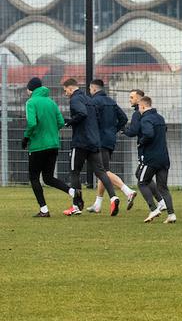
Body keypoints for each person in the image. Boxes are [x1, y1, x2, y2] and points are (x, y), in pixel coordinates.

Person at [61, 78, 119, 215]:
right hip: (94, 141)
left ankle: (76, 205)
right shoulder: (90, 100)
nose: (65, 94)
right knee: (100, 172)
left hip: (80, 141)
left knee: (74, 171)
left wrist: (70, 122)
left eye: (65, 91)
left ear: (70, 88)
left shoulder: (75, 100)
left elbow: (82, 113)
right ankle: (113, 197)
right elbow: (97, 118)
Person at [22, 77, 74, 217]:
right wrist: (51, 133)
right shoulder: (51, 102)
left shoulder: (31, 102)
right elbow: (61, 121)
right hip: (53, 144)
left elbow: (32, 123)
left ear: (30, 89)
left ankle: (44, 210)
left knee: (34, 177)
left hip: (38, 146)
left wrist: (27, 137)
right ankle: (73, 192)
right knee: (49, 178)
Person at [87, 78, 136, 213]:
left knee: (103, 171)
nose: (90, 92)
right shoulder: (111, 102)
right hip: (110, 139)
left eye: (90, 90)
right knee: (103, 170)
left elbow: (91, 121)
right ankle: (98, 203)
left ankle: (127, 191)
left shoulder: (93, 102)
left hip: (99, 140)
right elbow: (124, 119)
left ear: (94, 89)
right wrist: (113, 130)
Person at [124, 89, 166, 214]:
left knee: (142, 178)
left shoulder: (138, 114)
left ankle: (155, 206)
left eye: (132, 97)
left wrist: (124, 130)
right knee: (142, 175)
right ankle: (161, 202)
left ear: (139, 99)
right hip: (155, 151)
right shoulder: (154, 115)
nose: (130, 100)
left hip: (146, 151)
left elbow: (134, 131)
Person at [136, 97, 176, 224]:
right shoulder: (160, 118)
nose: (138, 110)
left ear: (142, 106)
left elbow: (148, 134)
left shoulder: (145, 119)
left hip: (151, 158)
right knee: (163, 187)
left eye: (138, 107)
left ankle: (153, 209)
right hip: (164, 157)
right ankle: (171, 214)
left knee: (142, 182)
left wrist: (141, 143)